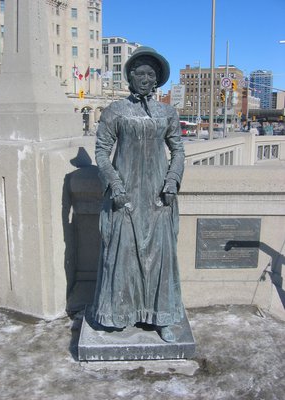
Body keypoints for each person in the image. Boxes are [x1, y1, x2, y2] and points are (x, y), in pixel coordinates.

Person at [91, 47, 185, 342]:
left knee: (160, 258)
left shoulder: (167, 112)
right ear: (130, 76)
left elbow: (178, 150)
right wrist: (116, 187)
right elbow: (102, 153)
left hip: (158, 197)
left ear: (158, 80)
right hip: (126, 196)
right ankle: (120, 314)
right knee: (123, 258)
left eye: (151, 74)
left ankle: (163, 317)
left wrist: (172, 181)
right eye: (140, 73)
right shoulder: (115, 110)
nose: (146, 79)